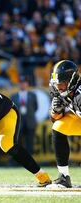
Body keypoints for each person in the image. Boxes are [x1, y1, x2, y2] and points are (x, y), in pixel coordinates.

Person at [48, 60, 81, 188]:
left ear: (72, 81)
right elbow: (55, 119)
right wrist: (56, 111)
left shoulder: (79, 96)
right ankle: (63, 177)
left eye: (62, 83)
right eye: (57, 83)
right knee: (58, 127)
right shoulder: (58, 89)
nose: (58, 87)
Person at [10, 76, 38, 155]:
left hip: (30, 122)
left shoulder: (32, 95)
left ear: (27, 84)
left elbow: (35, 107)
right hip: (18, 123)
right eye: (21, 83)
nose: (23, 85)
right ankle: (17, 161)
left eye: (24, 83)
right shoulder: (14, 96)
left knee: (30, 143)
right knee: (17, 142)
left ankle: (30, 161)